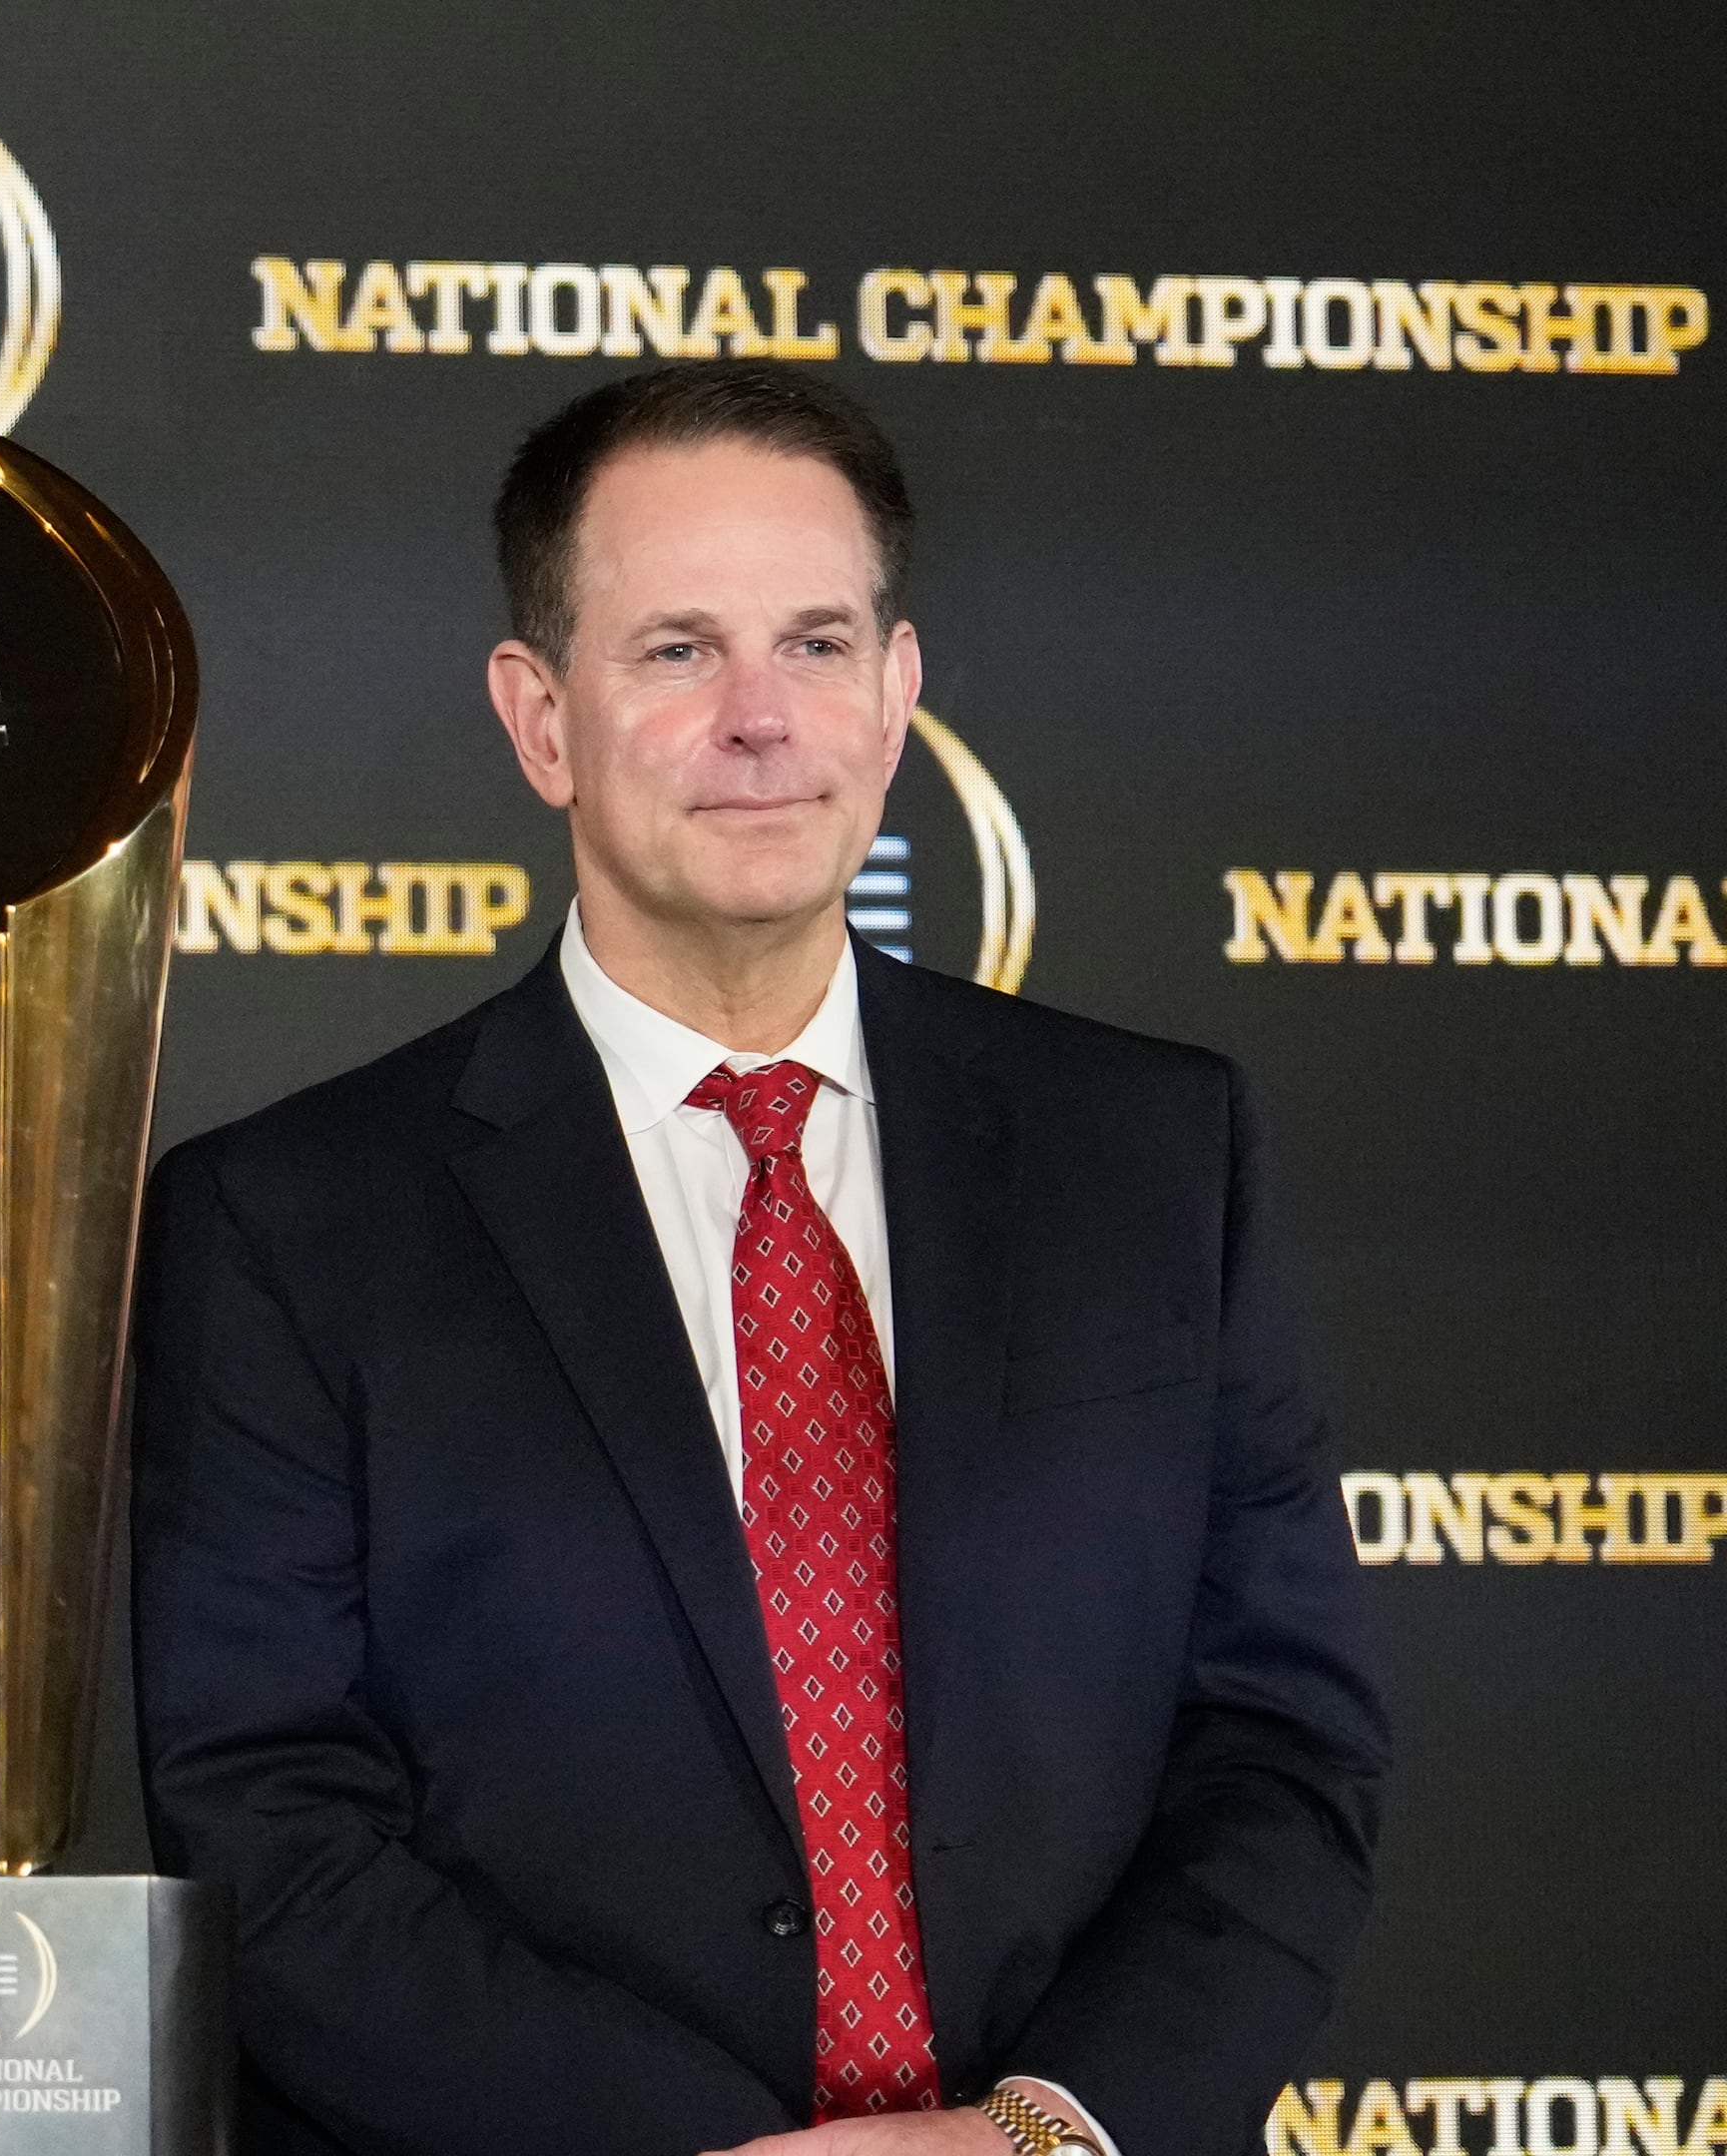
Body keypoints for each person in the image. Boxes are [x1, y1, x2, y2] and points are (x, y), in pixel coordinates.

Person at [130, 361, 1387, 2156]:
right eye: (675, 651)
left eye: (814, 644)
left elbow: (1284, 1748)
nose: (759, 719)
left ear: (898, 694)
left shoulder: (1158, 1158)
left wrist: (1034, 2134)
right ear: (539, 716)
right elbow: (265, 1820)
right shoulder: (289, 1224)